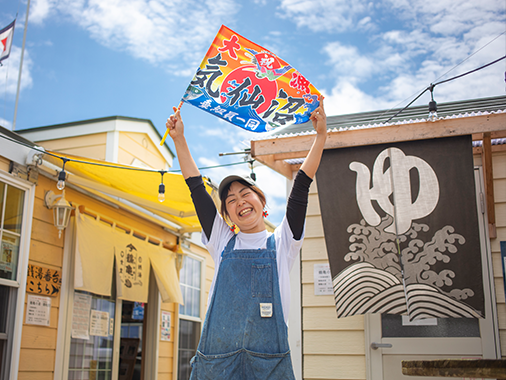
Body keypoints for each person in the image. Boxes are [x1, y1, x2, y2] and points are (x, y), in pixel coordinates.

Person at [166, 101, 327, 380]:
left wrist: (321, 137)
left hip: (268, 369)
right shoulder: (220, 241)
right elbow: (195, 187)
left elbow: (301, 185)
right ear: (227, 216)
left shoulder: (283, 242)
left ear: (262, 203)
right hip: (218, 367)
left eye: (245, 194)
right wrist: (179, 138)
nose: (239, 201)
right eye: (230, 200)